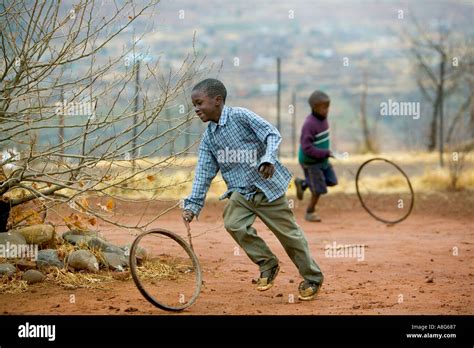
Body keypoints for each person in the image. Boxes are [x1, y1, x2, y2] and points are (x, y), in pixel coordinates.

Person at [182, 78, 324, 301]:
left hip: (266, 188)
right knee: (233, 224)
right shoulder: (209, 138)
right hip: (241, 193)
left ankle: (313, 277)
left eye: (199, 103)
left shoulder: (241, 116)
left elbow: (271, 134)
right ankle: (268, 263)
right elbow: (203, 172)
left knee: (289, 236)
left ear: (217, 101)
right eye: (194, 106)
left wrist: (268, 159)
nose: (197, 110)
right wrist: (193, 205)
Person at [294, 90, 338, 222]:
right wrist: (326, 153)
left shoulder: (323, 119)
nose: (326, 110)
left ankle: (303, 183)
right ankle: (310, 212)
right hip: (310, 161)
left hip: (322, 159)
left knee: (331, 181)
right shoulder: (309, 124)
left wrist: (326, 154)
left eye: (327, 107)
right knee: (318, 189)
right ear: (314, 108)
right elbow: (307, 148)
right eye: (323, 107)